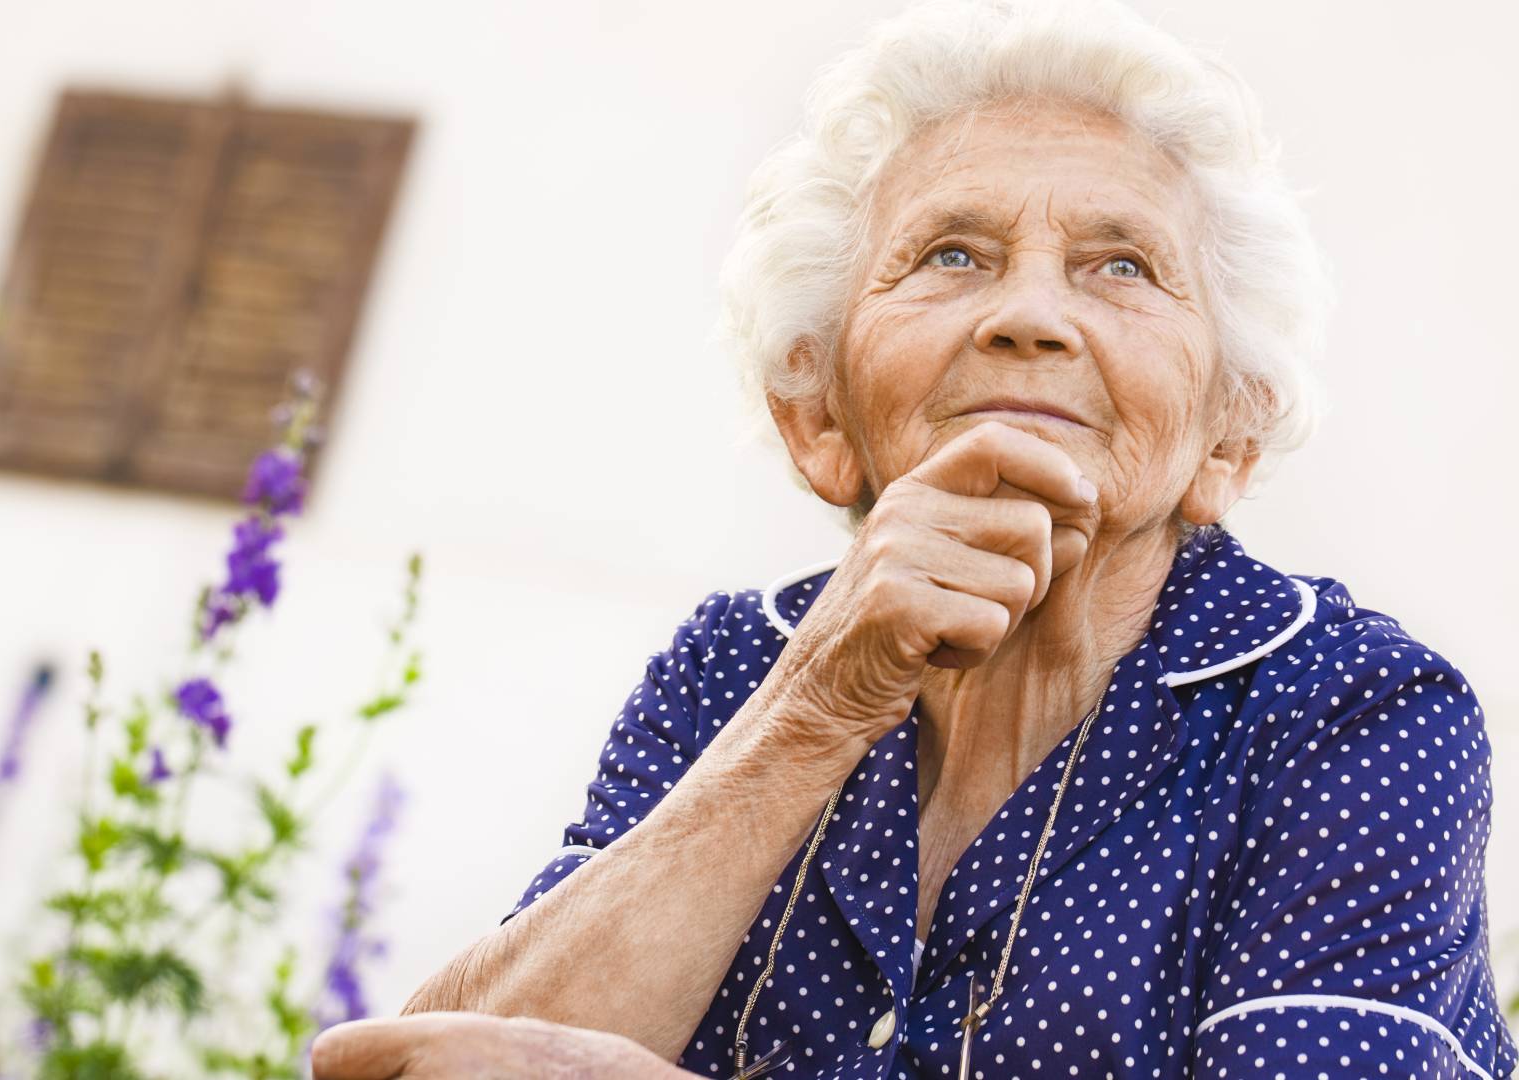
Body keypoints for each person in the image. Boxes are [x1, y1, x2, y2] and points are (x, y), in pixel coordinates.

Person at [313, 0, 1516, 1075]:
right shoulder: (740, 669)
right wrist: (820, 702)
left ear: (1226, 444)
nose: (1032, 315)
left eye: (1123, 265)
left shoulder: (1349, 708)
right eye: (954, 254)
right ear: (819, 419)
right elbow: (460, 1062)